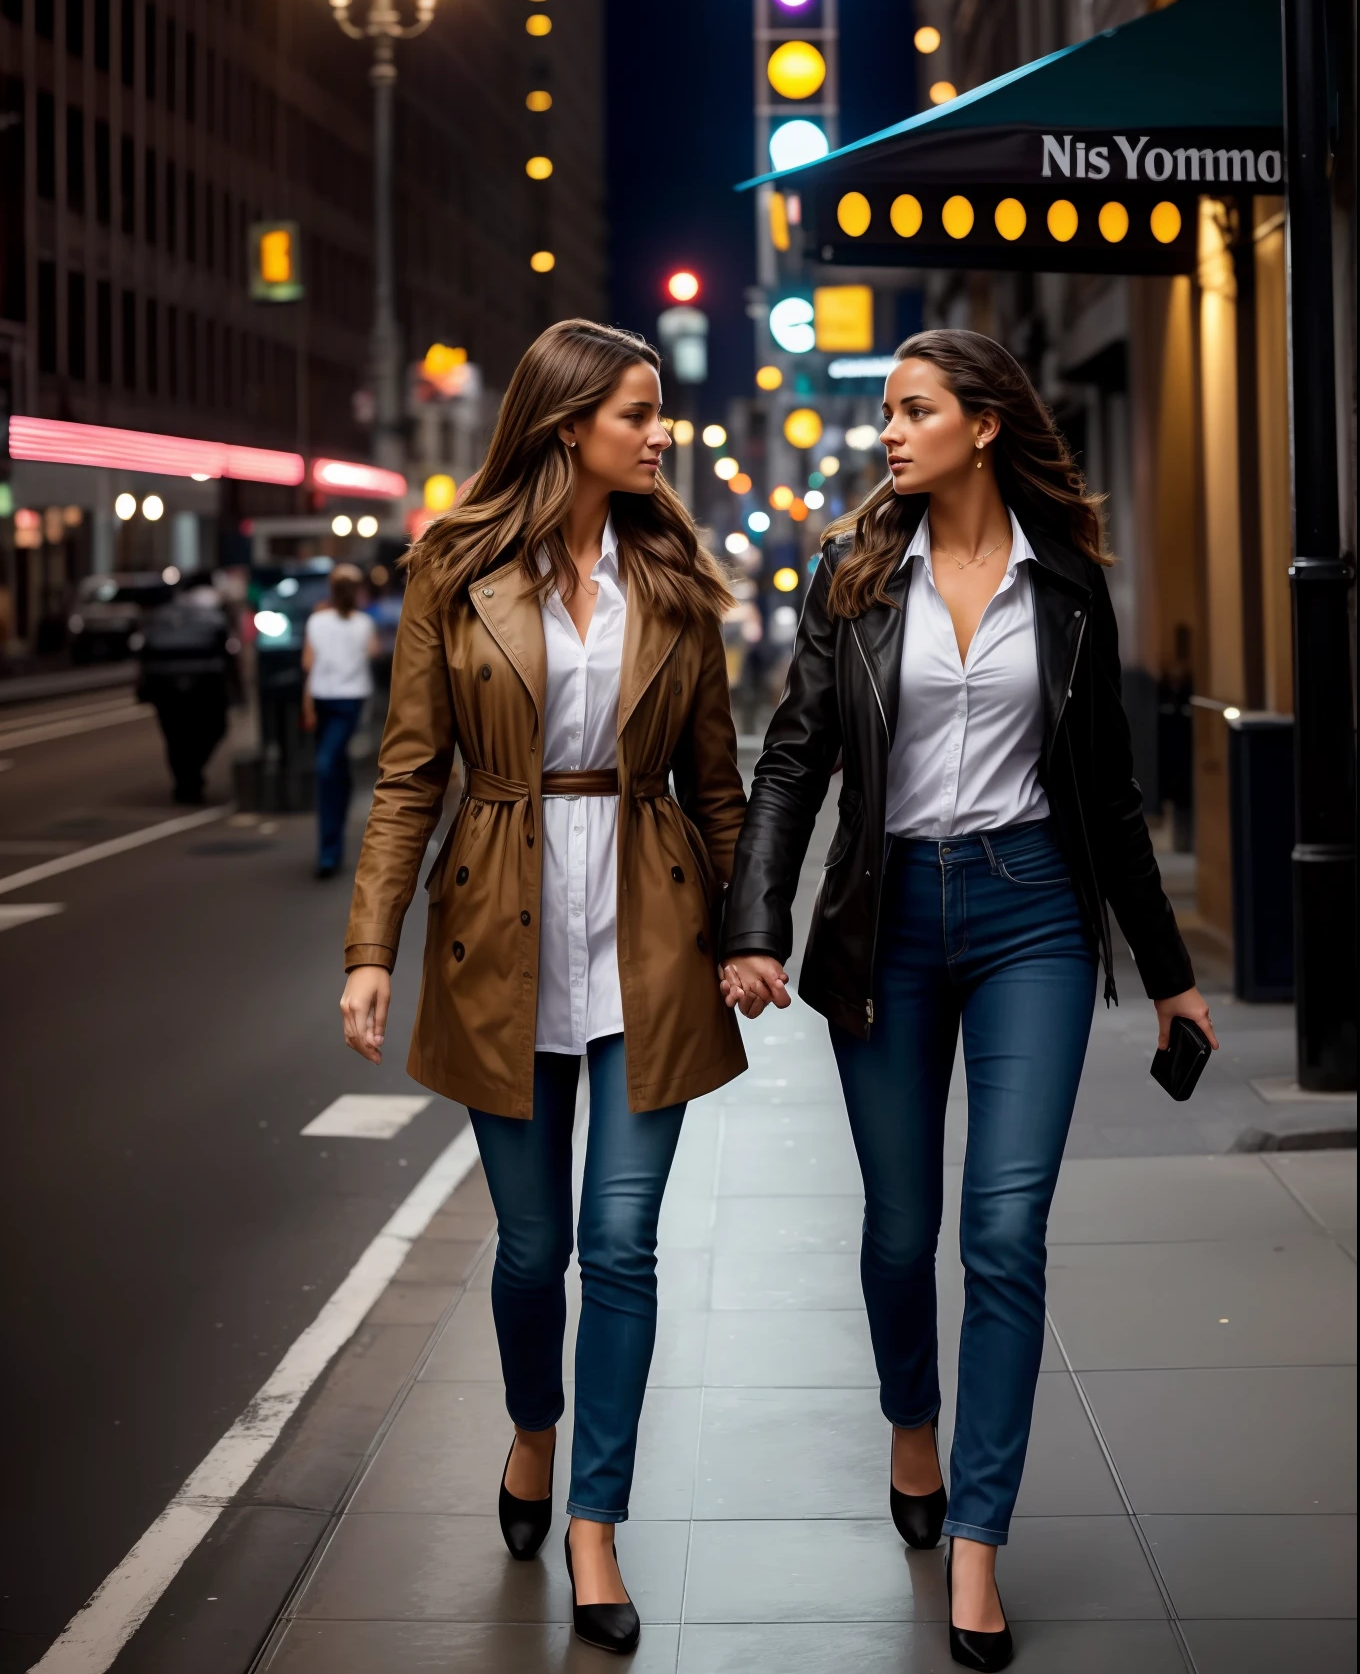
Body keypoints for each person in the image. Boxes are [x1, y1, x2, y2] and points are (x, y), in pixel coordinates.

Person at [720, 330, 1217, 1672]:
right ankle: (912, 1427)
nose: (888, 432)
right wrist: (755, 926)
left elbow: (1109, 794)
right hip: (884, 924)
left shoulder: (1065, 589)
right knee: (899, 1229)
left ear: (985, 425)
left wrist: (1170, 975)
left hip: (1030, 918)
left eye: (914, 409)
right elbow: (792, 765)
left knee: (1002, 1236)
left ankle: (979, 1549)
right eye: (886, 412)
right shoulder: (856, 574)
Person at [340, 320, 747, 1655]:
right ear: (571, 425)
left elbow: (719, 787)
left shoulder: (677, 578)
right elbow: (409, 779)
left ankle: (595, 1525)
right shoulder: (454, 571)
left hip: (650, 934)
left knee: (620, 1246)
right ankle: (532, 1428)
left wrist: (751, 933)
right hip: (498, 935)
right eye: (640, 412)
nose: (660, 433)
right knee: (532, 1252)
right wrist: (367, 951)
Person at [302, 563, 377, 878]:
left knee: (325, 765)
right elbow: (373, 653)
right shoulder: (363, 623)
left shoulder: (318, 621)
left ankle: (329, 851)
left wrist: (306, 706)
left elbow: (308, 664)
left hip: (324, 699)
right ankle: (335, 826)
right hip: (347, 700)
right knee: (334, 767)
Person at [137, 581, 238, 802]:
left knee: (176, 736)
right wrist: (235, 690)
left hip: (167, 686)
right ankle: (190, 778)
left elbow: (144, 656)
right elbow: (228, 656)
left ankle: (186, 780)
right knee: (211, 729)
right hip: (205, 684)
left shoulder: (159, 619)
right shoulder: (212, 617)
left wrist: (144, 688)